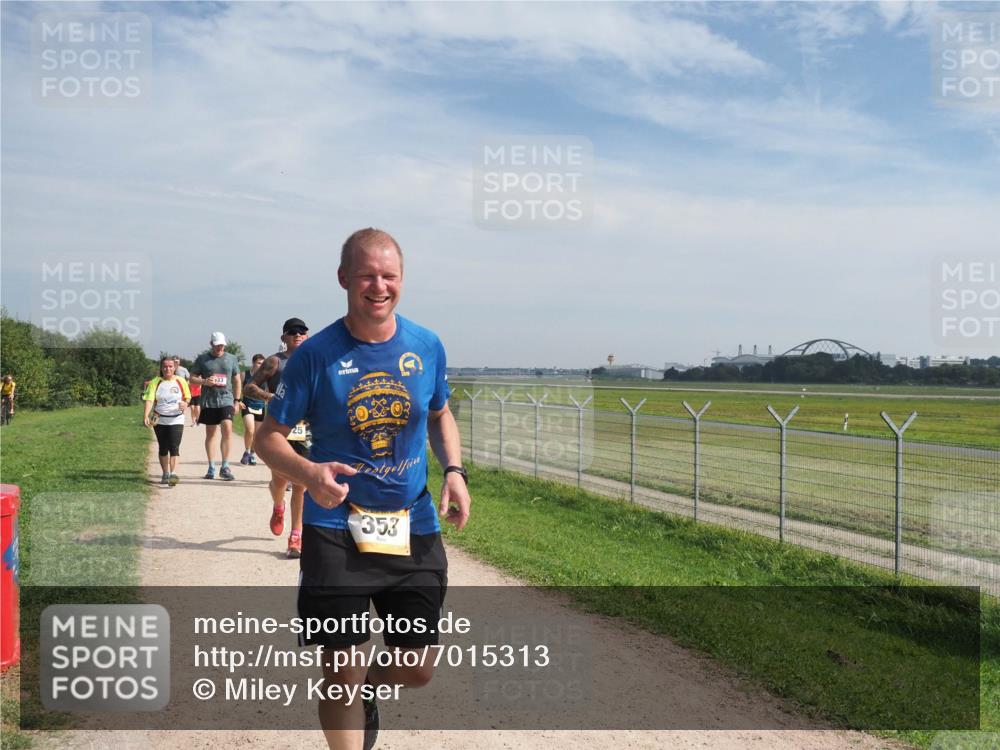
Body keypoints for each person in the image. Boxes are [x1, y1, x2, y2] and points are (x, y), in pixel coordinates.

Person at [255, 228, 471, 750]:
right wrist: (309, 475)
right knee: (342, 670)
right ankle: (352, 697)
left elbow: (441, 414)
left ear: (402, 280)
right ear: (344, 278)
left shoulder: (426, 345)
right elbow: (267, 439)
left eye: (389, 275)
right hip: (334, 528)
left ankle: (369, 689)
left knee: (417, 668)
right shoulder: (315, 355)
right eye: (367, 275)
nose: (379, 286)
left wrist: (455, 472)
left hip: (411, 525)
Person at [244, 320, 310, 558]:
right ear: (284, 337)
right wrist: (269, 396)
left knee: (301, 483)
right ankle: (278, 506)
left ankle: (296, 537)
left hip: (303, 427)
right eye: (293, 332)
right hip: (278, 426)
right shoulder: (275, 361)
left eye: (302, 331)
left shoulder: (314, 360)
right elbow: (249, 388)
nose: (298, 335)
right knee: (280, 481)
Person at [189, 332, 242, 481]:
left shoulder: (232, 359)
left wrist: (237, 401)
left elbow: (237, 380)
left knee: (227, 428)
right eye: (217, 345)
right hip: (209, 400)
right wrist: (205, 382)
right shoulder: (203, 359)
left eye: (222, 345)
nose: (219, 347)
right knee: (211, 434)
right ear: (211, 344)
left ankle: (225, 466)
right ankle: (211, 467)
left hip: (226, 398)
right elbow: (192, 378)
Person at [142, 357, 191, 486]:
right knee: (163, 447)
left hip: (177, 419)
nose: (168, 369)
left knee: (174, 447)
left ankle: (173, 474)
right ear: (161, 368)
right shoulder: (155, 382)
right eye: (165, 366)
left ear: (174, 368)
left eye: (170, 366)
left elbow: (187, 397)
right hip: (159, 419)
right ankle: (165, 473)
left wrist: (185, 404)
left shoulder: (181, 381)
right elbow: (149, 399)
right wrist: (146, 415)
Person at [240, 354, 267, 466]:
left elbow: (269, 390)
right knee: (250, 430)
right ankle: (247, 452)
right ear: (253, 363)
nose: (261, 366)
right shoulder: (244, 374)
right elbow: (236, 387)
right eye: (259, 363)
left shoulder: (266, 377)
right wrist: (238, 401)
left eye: (263, 364)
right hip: (247, 405)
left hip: (260, 406)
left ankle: (252, 453)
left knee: (256, 433)